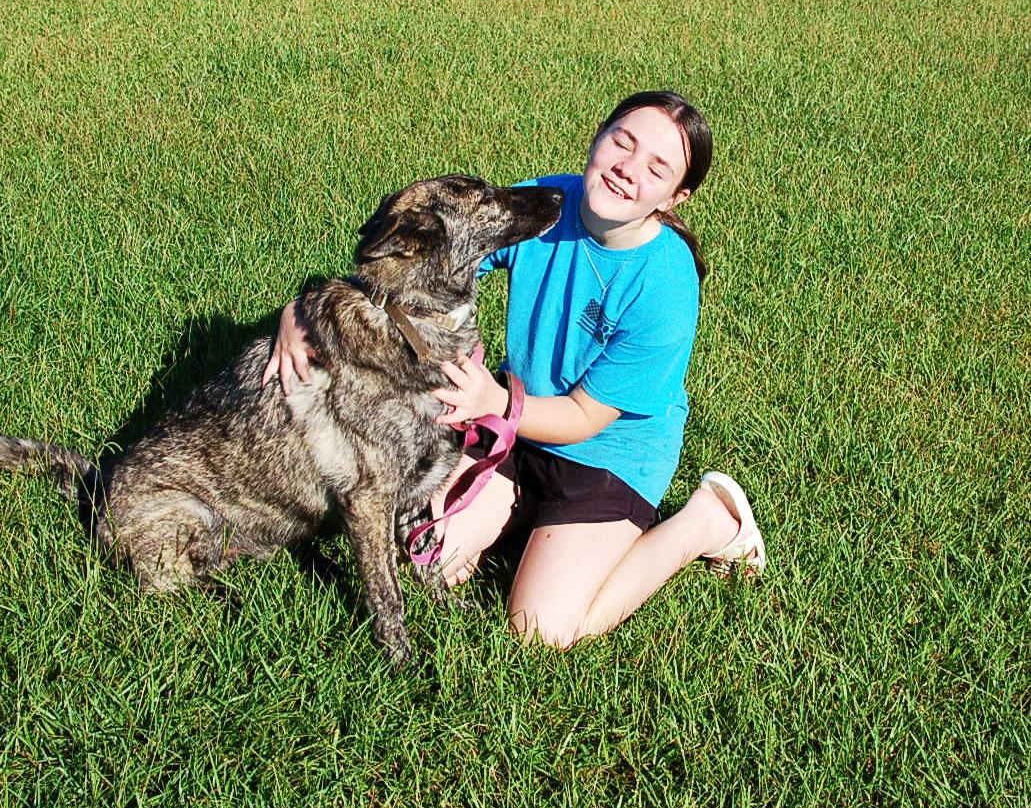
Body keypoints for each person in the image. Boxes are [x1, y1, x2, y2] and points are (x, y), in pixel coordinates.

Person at [263, 91, 767, 649]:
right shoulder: (549, 205)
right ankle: (522, 518)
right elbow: (423, 260)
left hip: (606, 456)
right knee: (426, 557)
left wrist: (495, 404)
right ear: (598, 136)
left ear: (677, 196)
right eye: (622, 142)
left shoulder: (665, 284)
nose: (628, 170)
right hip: (512, 429)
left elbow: (583, 419)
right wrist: (303, 309)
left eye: (657, 168)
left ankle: (707, 522)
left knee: (540, 631)